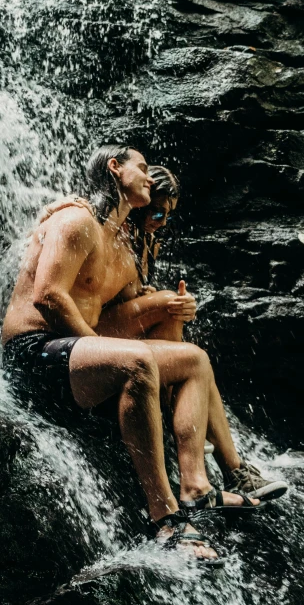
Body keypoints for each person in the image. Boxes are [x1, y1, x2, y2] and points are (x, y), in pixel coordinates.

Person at [2, 144, 260, 565]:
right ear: (114, 168)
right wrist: (99, 347)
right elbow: (48, 296)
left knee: (194, 359)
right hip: (34, 355)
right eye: (141, 167)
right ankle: (166, 519)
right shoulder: (76, 219)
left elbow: (130, 311)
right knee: (136, 361)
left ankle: (196, 485)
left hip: (76, 357)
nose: (148, 175)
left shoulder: (119, 242)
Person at [95, 165, 289, 503]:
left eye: (167, 215)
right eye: (156, 211)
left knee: (187, 342)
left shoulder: (147, 242)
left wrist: (157, 299)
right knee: (171, 307)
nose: (161, 220)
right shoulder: (112, 229)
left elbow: (131, 293)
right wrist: (159, 301)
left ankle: (234, 469)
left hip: (119, 333)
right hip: (91, 338)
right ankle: (211, 448)